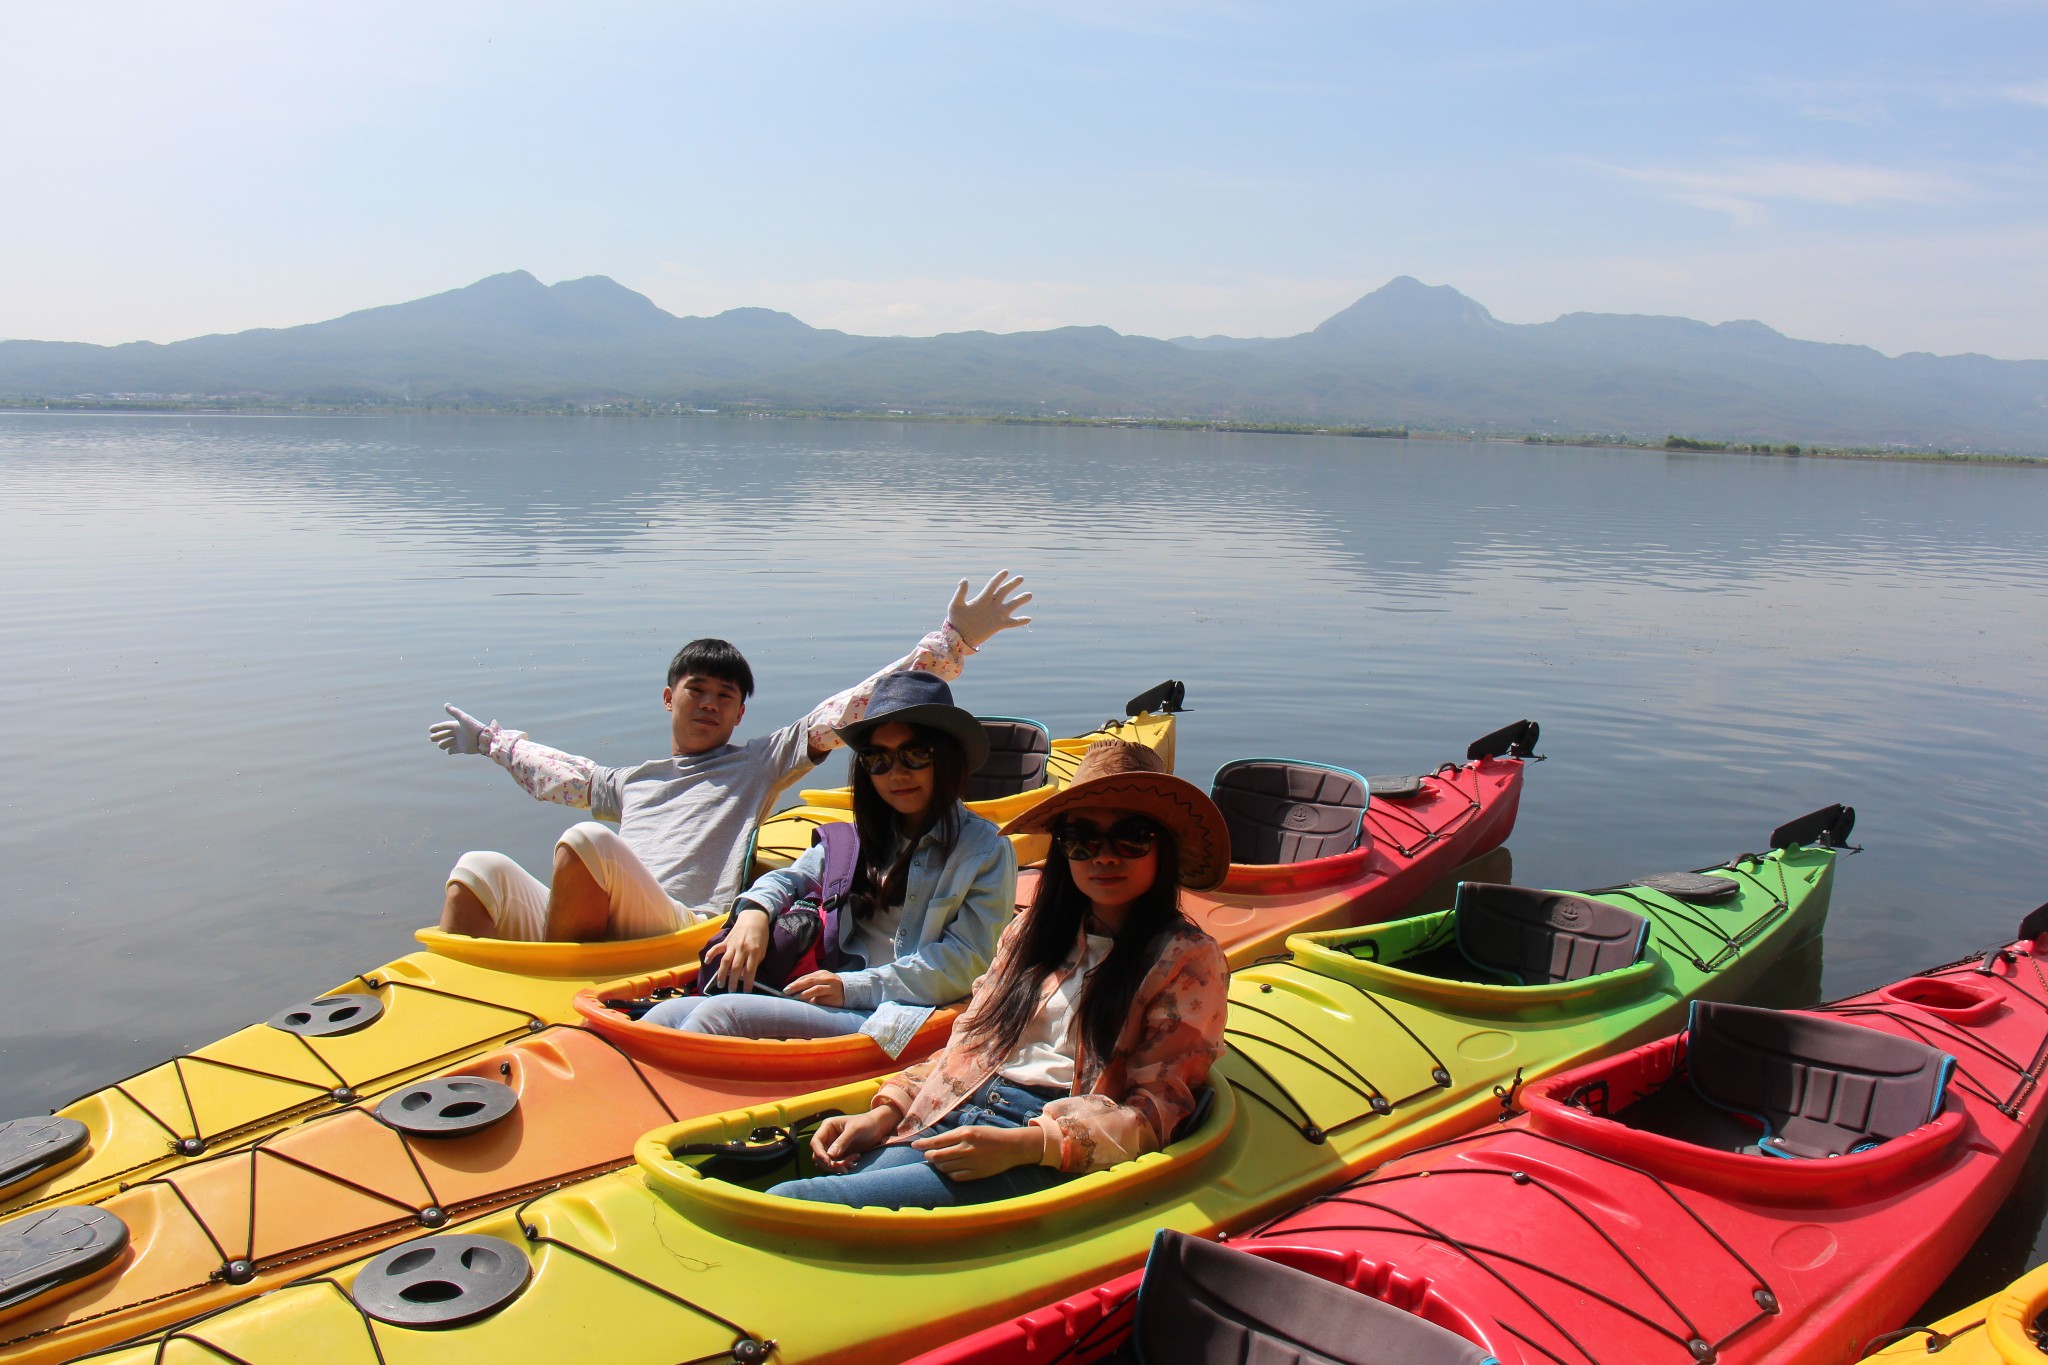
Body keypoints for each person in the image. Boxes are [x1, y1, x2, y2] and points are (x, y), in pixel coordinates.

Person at [427, 572, 1031, 942]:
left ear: (741, 713)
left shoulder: (758, 761)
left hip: (676, 928)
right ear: (669, 698)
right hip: (606, 915)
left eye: (727, 696)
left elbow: (851, 708)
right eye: (698, 691)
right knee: (478, 869)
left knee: (587, 842)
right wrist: (492, 744)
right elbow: (558, 774)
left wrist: (951, 643)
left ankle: (562, 992)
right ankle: (456, 996)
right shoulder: (630, 782)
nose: (711, 705)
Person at [769, 738, 1231, 1208]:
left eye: (1132, 837)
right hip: (959, 1107)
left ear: (1164, 849)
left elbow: (1157, 1112)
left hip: (1041, 1141)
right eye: (1081, 838)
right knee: (805, 1187)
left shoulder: (1186, 960)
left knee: (798, 1200)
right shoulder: (1033, 931)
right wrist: (888, 1111)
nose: (1104, 856)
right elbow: (971, 1043)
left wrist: (1029, 1146)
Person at [641, 670, 1014, 1043]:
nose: (896, 773)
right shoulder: (859, 837)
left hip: (892, 1014)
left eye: (915, 755)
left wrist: (852, 987)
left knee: (721, 1015)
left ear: (946, 758)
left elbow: (968, 962)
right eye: (878, 759)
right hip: (826, 985)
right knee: (663, 1014)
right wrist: (753, 912)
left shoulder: (986, 850)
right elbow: (789, 879)